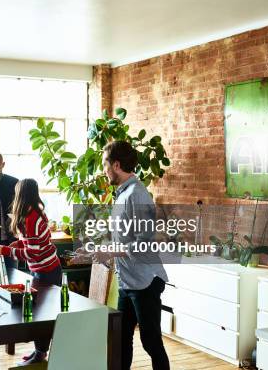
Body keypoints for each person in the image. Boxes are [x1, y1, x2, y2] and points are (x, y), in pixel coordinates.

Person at [74, 141, 170, 370]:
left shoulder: (137, 195)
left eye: (105, 165)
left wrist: (108, 252)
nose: (103, 170)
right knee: (120, 339)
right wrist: (91, 251)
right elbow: (122, 239)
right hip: (128, 281)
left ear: (116, 165)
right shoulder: (123, 194)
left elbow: (143, 243)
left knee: (151, 342)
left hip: (145, 282)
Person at [0, 178, 62, 366]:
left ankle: (40, 354)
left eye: (16, 193)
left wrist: (6, 250)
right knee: (40, 315)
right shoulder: (31, 214)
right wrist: (17, 243)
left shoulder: (33, 218)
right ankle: (39, 352)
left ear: (21, 195)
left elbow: (33, 252)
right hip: (42, 270)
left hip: (49, 271)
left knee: (43, 316)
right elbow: (31, 242)